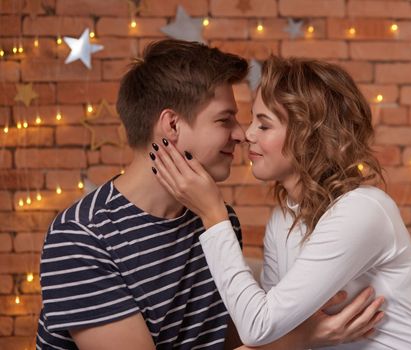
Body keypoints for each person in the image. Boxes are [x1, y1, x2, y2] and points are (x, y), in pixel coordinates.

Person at [36, 40, 384, 350]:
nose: (241, 135)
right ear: (171, 126)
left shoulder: (214, 220)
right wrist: (299, 338)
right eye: (224, 120)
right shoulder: (81, 239)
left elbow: (233, 339)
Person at [151, 56, 411, 349]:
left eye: (265, 125)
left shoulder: (362, 210)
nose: (247, 135)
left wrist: (213, 215)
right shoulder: (283, 219)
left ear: (308, 137)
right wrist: (305, 335)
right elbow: (270, 334)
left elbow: (257, 326)